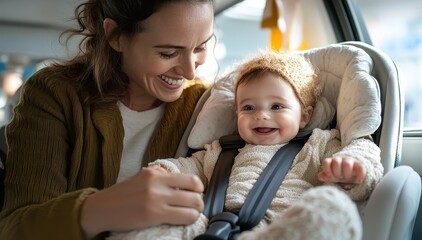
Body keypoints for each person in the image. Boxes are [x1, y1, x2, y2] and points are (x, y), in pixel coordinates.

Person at [107, 52, 384, 240]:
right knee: (156, 222)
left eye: (277, 106)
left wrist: (353, 166)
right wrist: (164, 170)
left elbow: (361, 147)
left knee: (331, 209)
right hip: (207, 227)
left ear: (305, 115)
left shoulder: (318, 143)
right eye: (248, 107)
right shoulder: (222, 149)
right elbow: (189, 166)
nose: (261, 115)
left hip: (276, 228)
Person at [0, 1, 215, 239]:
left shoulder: (207, 103)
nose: (189, 72)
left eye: (201, 48)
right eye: (168, 53)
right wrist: (101, 209)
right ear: (116, 35)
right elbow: (15, 228)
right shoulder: (55, 94)